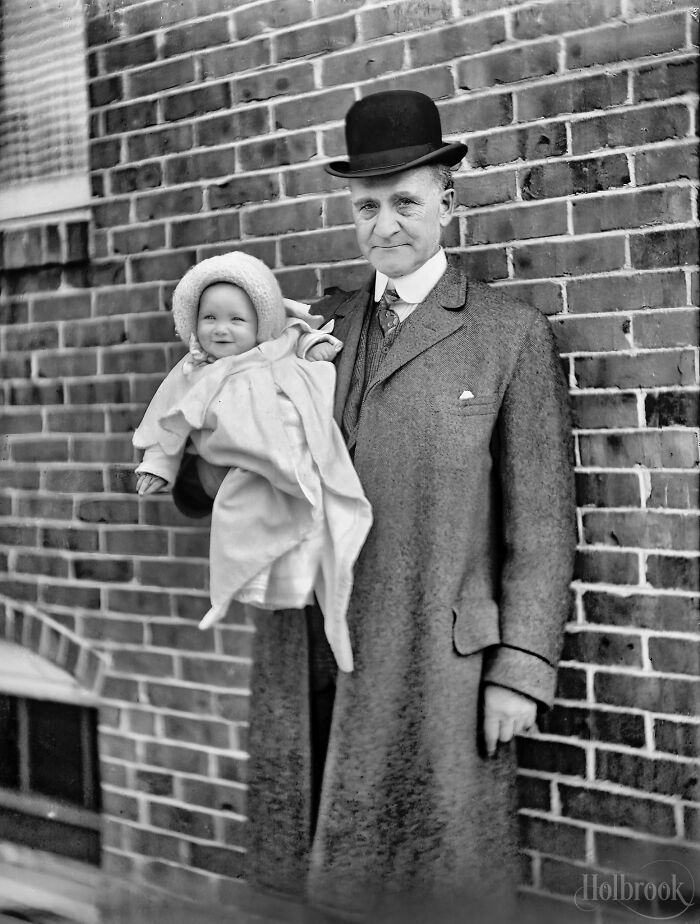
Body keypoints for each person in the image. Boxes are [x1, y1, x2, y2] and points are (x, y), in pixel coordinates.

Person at [173, 91, 576, 922]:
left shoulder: (508, 335)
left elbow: (540, 525)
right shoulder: (311, 328)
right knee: (315, 884)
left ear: (446, 204)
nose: (384, 225)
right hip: (309, 653)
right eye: (366, 206)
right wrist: (209, 415)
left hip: (436, 666)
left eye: (405, 202)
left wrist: (521, 671)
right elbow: (224, 475)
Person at [133, 251, 372, 672]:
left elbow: (301, 333)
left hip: (297, 456)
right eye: (209, 318)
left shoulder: (276, 347)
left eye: (236, 320)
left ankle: (318, 595)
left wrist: (315, 346)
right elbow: (168, 419)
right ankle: (258, 587)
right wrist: (158, 464)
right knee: (247, 523)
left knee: (313, 524)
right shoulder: (192, 371)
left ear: (260, 323)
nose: (221, 329)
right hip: (247, 468)